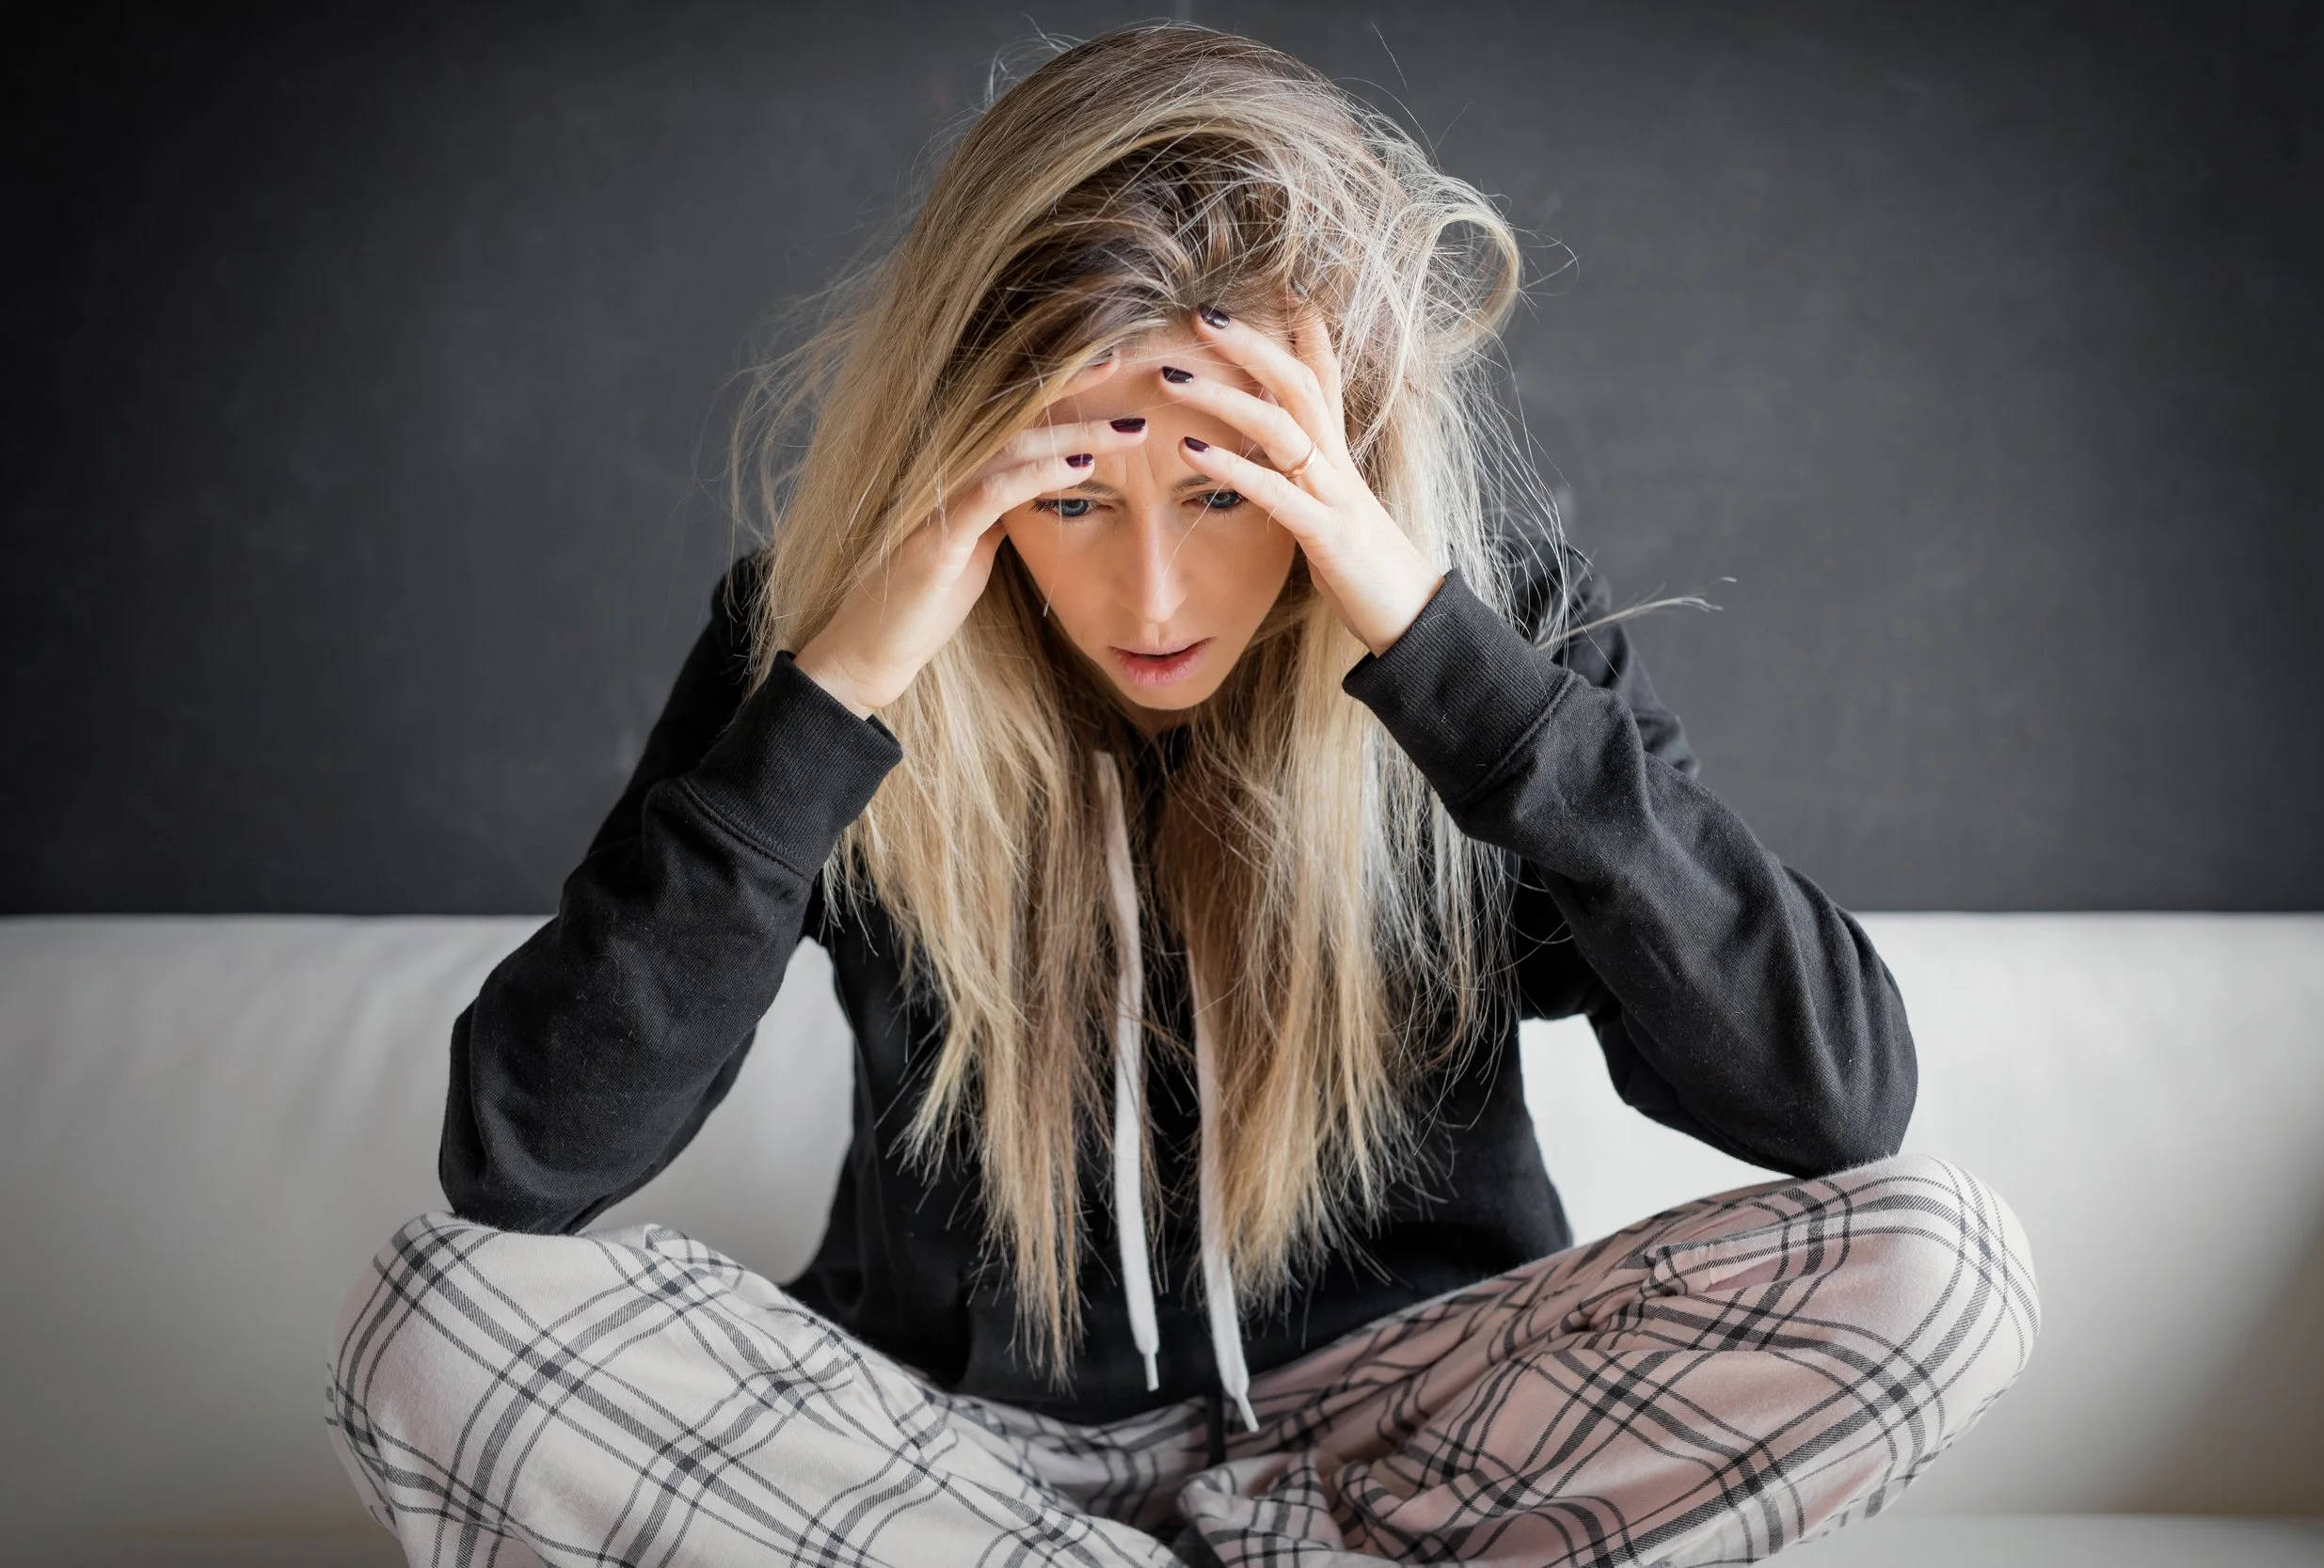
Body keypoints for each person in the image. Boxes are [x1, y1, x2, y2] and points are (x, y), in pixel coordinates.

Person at [326, 23, 2038, 1567]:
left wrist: (1448, 658)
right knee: (433, 1317)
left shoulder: (1502, 632)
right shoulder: (824, 651)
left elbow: (1836, 1102)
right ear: (966, 453)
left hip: (1402, 1439)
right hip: (954, 1468)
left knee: (1940, 1257)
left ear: (1342, 452)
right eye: (1072, 496)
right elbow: (523, 1164)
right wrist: (838, 688)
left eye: (1220, 494)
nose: (1154, 602)